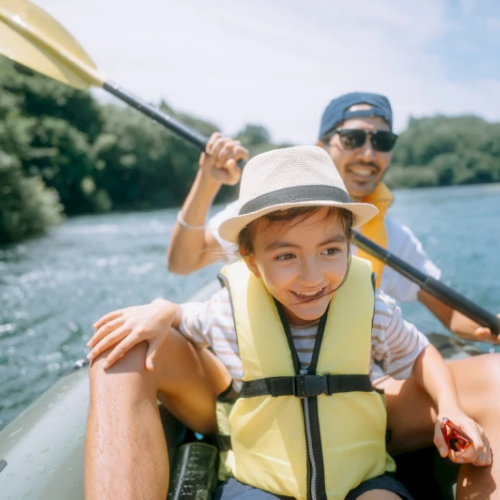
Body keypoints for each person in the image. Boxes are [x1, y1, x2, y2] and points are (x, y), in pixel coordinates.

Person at [87, 146, 490, 500]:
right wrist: (164, 308)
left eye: (330, 250)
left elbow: (420, 351)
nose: (313, 276)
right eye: (285, 256)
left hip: (360, 477)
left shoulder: (373, 309)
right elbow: (184, 317)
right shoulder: (225, 309)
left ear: (349, 246)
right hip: (261, 481)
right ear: (251, 262)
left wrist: (450, 407)